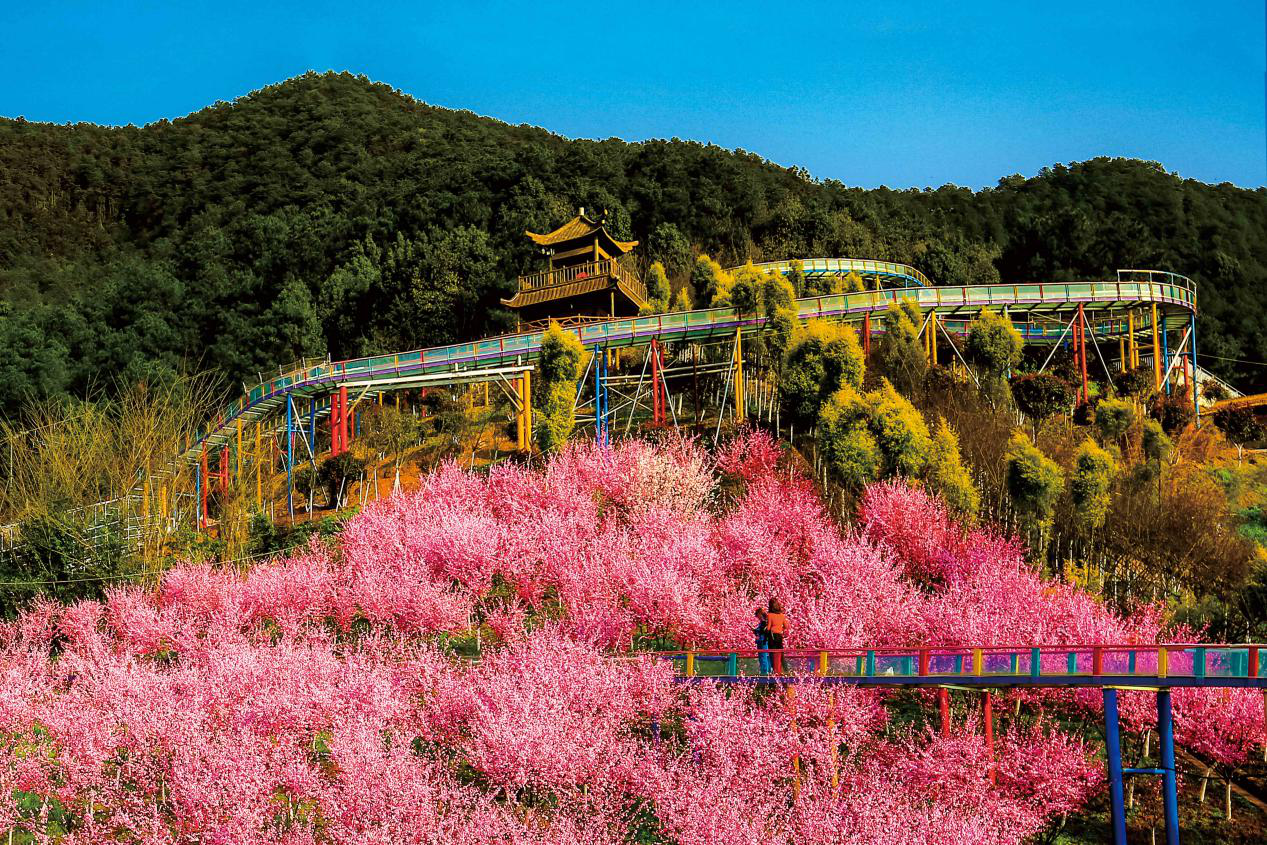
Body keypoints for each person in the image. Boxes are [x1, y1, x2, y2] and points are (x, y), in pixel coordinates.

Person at [766, 598, 788, 674]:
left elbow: (768, 627)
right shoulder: (782, 615)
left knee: (772, 654)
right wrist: (780, 628)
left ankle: (775, 671)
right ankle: (785, 670)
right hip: (779, 636)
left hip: (772, 636)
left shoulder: (770, 615)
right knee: (780, 654)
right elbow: (786, 626)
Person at [753, 608, 772, 675]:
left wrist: (756, 631)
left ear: (760, 615)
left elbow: (763, 632)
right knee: (765, 656)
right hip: (763, 641)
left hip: (762, 641)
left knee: (763, 656)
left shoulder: (764, 623)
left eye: (757, 616)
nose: (757, 617)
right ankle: (767, 671)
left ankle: (764, 672)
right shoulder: (765, 622)